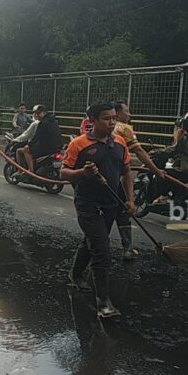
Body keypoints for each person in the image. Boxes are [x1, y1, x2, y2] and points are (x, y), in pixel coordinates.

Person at [62, 101, 135, 318]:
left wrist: (130, 200)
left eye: (114, 117)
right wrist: (82, 173)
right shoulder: (78, 144)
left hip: (111, 203)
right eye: (106, 118)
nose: (112, 122)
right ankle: (104, 303)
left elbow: (127, 172)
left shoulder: (120, 142)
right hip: (87, 204)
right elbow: (64, 173)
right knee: (102, 250)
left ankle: (75, 274)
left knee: (92, 241)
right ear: (92, 120)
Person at [113, 100, 166, 260]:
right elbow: (139, 151)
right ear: (117, 113)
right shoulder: (124, 128)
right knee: (122, 212)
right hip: (115, 174)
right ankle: (127, 248)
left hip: (105, 174)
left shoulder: (104, 127)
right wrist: (156, 170)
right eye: (126, 111)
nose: (129, 114)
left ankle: (95, 247)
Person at [19, 105, 63, 176]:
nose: (37, 115)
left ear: (44, 113)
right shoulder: (54, 121)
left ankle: (30, 170)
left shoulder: (43, 123)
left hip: (47, 148)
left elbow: (37, 136)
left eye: (38, 113)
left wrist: (29, 145)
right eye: (36, 114)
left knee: (26, 150)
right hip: (57, 147)